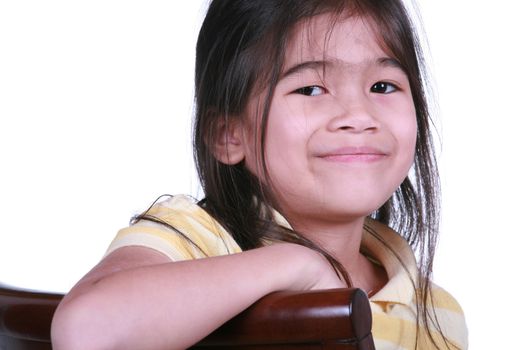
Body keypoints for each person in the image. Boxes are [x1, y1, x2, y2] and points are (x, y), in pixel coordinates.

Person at [51, 0, 468, 349]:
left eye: (382, 86)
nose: (358, 117)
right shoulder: (198, 240)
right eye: (310, 89)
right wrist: (297, 264)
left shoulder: (437, 313)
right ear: (228, 134)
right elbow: (87, 331)